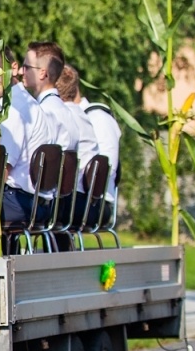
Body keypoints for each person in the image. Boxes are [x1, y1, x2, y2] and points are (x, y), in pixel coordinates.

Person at [6, 41, 80, 222]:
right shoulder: (66, 112)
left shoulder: (42, 112)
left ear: (43, 73)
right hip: (51, 201)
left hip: (36, 200)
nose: (22, 72)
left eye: (26, 67)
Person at [57, 64, 114, 226]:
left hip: (88, 202)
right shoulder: (81, 116)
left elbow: (110, 165)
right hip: (84, 200)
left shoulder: (94, 116)